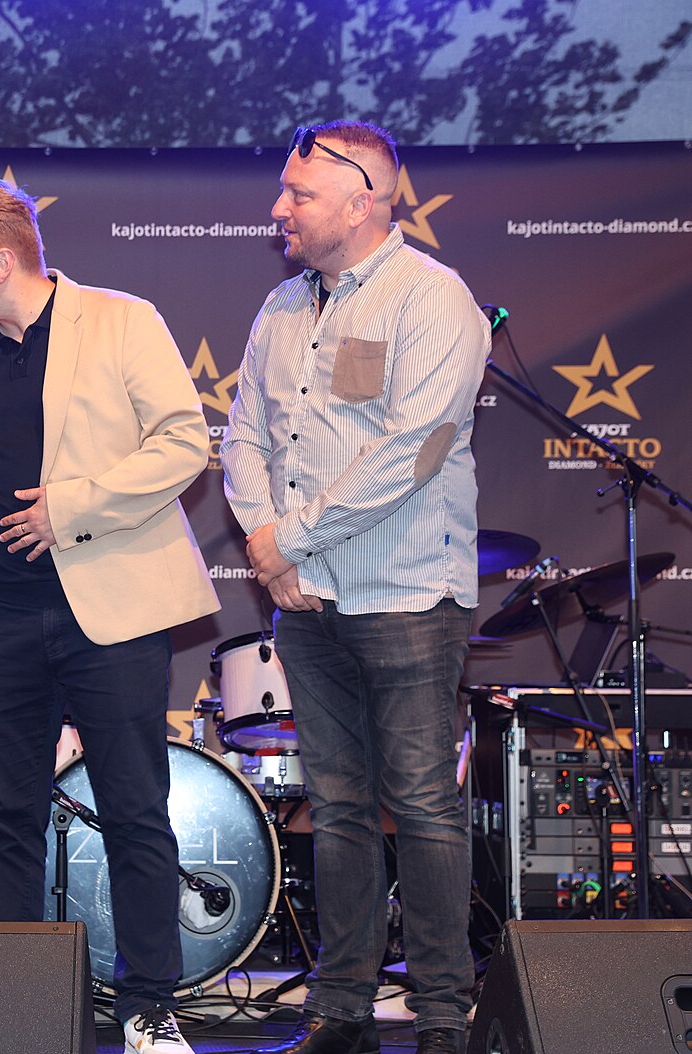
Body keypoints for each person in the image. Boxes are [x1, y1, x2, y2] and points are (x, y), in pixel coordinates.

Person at [0, 181, 219, 1054]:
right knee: (3, 822)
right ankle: (10, 1012)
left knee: (135, 813)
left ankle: (148, 1008)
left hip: (113, 615)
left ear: (1, 260)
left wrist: (74, 507)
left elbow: (185, 442)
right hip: (2, 622)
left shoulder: (123, 321)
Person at [220, 121, 487, 1054]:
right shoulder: (282, 306)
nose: (279, 208)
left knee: (422, 803)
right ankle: (340, 1008)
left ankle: (445, 1013)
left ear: (362, 199)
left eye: (298, 194)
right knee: (336, 806)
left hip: (406, 593)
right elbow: (242, 435)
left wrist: (285, 542)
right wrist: (270, 548)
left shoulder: (432, 297)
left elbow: (414, 451)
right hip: (307, 599)